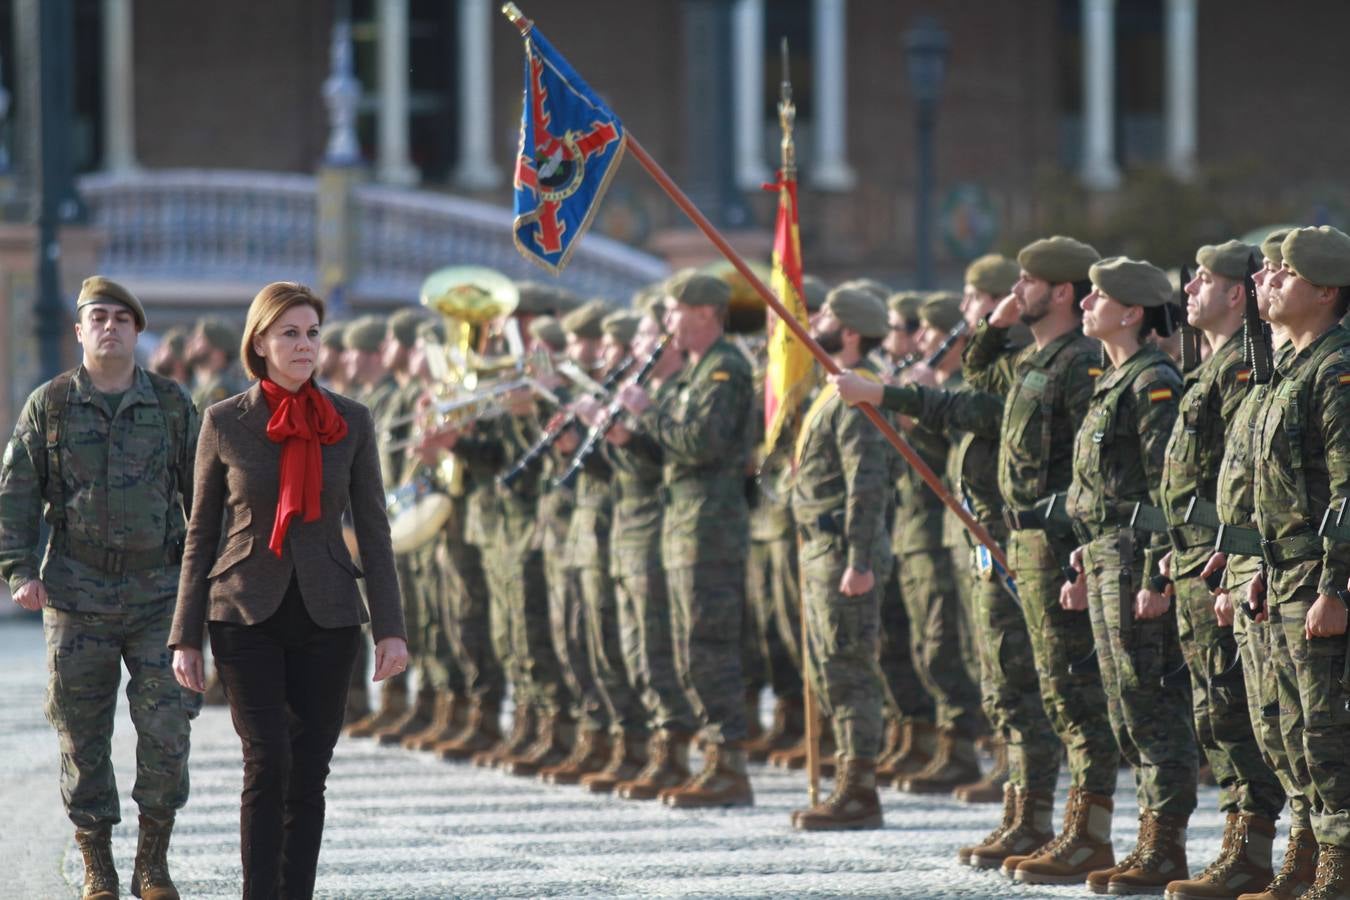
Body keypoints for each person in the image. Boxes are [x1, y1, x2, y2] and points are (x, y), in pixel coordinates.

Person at [169, 282, 408, 900]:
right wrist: (185, 637)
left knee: (309, 773)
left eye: (311, 333)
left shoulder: (351, 420)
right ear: (260, 342)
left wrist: (390, 628)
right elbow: (201, 532)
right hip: (244, 609)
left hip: (329, 615)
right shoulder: (225, 420)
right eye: (290, 333)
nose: (304, 345)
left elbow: (374, 529)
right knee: (267, 761)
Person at [0, 277, 200, 900]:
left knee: (167, 731)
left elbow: (206, 498)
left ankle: (153, 862)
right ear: (81, 330)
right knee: (82, 736)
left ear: (138, 332)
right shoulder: (51, 405)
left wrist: (209, 582)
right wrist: (18, 569)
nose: (110, 327)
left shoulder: (171, 405)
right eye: (98, 317)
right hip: (76, 595)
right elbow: (16, 494)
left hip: (159, 594)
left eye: (122, 318)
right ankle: (97, 864)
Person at [961, 236, 1122, 885]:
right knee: (1041, 689)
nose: (1013, 293)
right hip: (1028, 543)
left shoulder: (1079, 363)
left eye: (1025, 282)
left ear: (1060, 292)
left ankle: (1088, 832)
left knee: (1073, 694)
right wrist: (992, 326)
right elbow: (978, 377)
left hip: (1059, 547)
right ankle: (1031, 815)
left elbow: (1094, 470)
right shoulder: (1035, 356)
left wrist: (1079, 552)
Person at [1060, 256, 1198, 893]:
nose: (1086, 303)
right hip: (1107, 557)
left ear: (1131, 312)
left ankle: (1165, 846)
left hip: (1135, 563)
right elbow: (1101, 488)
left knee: (1151, 708)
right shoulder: (1113, 379)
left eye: (1098, 295)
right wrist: (1086, 556)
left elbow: (1161, 492)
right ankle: (1147, 843)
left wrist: (1153, 577)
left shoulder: (1152, 383)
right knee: (1124, 710)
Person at [1158, 241, 1284, 900]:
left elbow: (1247, 480)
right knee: (1216, 712)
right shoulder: (1210, 365)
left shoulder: (1243, 366)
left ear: (1236, 294)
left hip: (1225, 566)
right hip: (1201, 560)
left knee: (1240, 713)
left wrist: (1228, 551)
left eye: (1203, 280)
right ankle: (1242, 846)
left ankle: (1253, 849)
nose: (1190, 290)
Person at [616, 270, 756, 808]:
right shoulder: (700, 370)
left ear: (702, 312)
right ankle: (709, 757)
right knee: (688, 648)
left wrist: (648, 414)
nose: (667, 322)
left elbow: (702, 443)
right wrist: (633, 434)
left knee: (709, 647)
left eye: (673, 311)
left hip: (711, 528)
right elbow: (673, 452)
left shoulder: (725, 369)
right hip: (686, 524)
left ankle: (729, 765)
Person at [1248, 226, 1350, 899]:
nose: (1273, 280)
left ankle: (1340, 866)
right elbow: (1277, 490)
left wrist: (1335, 586)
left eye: (1287, 273)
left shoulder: (1336, 371)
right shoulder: (1292, 368)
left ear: (1324, 292)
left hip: (1317, 581)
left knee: (1325, 730)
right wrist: (1259, 561)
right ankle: (1308, 855)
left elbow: (1347, 490)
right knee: (1286, 731)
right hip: (1281, 574)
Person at [787, 286, 892, 830]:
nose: (817, 320)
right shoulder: (833, 390)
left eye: (826, 314)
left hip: (842, 550)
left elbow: (866, 486)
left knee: (849, 668)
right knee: (828, 665)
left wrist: (860, 560)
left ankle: (859, 789)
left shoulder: (860, 393)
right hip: (820, 547)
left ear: (850, 332)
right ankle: (844, 779)